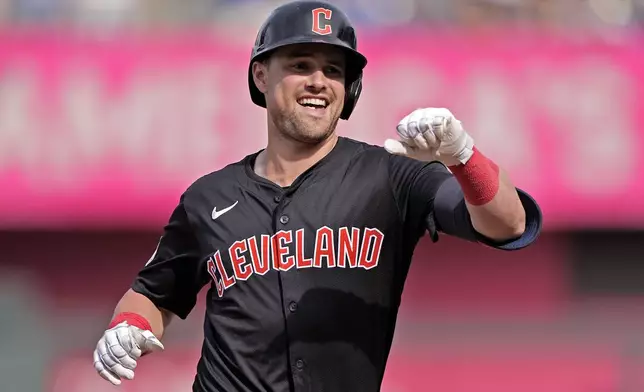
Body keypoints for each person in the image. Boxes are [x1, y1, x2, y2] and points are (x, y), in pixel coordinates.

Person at [92, 1, 542, 391]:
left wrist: (464, 157)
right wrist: (128, 326)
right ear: (261, 75)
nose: (318, 81)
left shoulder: (389, 177)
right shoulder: (208, 197)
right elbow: (153, 294)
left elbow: (509, 224)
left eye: (332, 70)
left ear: (349, 90)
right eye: (300, 65)